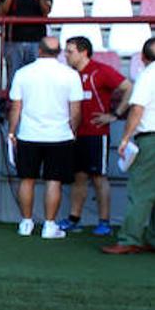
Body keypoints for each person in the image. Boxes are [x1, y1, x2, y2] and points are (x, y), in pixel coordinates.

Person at [9, 36, 84, 239]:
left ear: (39, 51)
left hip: (29, 134)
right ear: (59, 52)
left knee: (27, 179)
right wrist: (73, 130)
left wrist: (12, 131)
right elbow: (75, 110)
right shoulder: (70, 75)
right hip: (59, 135)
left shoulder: (23, 73)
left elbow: (16, 106)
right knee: (54, 181)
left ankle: (26, 222)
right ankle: (49, 225)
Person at [63, 36, 132, 235]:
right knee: (79, 177)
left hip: (96, 133)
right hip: (75, 133)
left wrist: (115, 115)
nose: (66, 55)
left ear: (83, 52)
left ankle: (104, 222)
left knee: (99, 177)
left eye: (70, 51)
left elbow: (128, 87)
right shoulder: (69, 75)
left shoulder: (100, 71)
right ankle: (74, 219)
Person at [103, 37, 155, 253]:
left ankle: (129, 239)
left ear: (142, 58)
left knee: (141, 191)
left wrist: (125, 138)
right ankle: (153, 238)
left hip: (152, 138)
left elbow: (137, 109)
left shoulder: (148, 74)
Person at [0, 0, 52, 85]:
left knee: (36, 80)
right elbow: (2, 13)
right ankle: (12, 104)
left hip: (37, 42)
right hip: (14, 42)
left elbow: (46, 12)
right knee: (14, 80)